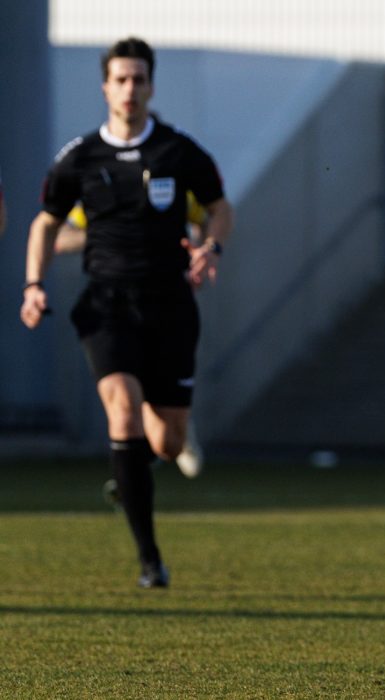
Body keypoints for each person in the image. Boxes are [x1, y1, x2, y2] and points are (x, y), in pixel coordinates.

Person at [20, 37, 233, 588]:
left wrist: (212, 246)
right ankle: (149, 562)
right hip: (105, 305)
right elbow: (45, 222)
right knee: (121, 408)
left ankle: (132, 467)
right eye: (121, 79)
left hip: (169, 307)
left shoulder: (179, 152)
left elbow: (219, 208)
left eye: (139, 79)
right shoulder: (79, 157)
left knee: (165, 441)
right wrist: (33, 284)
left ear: (151, 85)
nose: (130, 89)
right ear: (105, 87)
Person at [57, 193, 210, 479]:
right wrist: (108, 230)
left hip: (167, 307)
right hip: (114, 307)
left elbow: (206, 218)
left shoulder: (175, 181)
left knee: (167, 438)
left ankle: (176, 425)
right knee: (124, 392)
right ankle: (131, 476)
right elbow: (62, 237)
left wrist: (198, 254)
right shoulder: (102, 187)